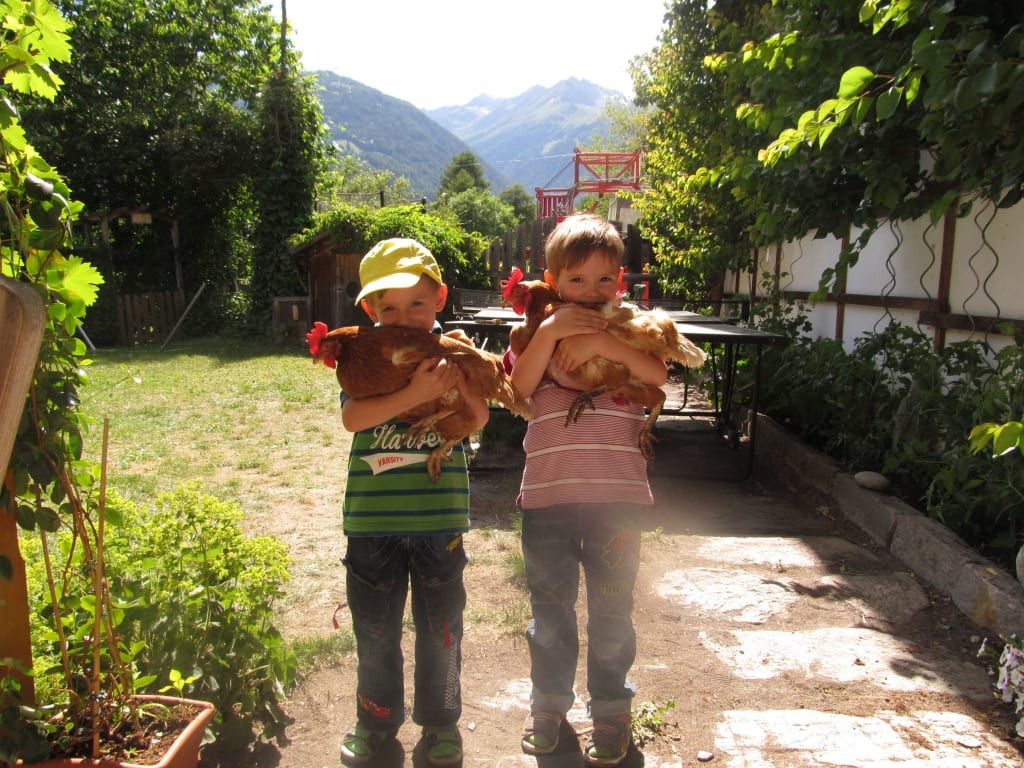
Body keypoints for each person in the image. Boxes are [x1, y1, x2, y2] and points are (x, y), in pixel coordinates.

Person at [506, 214, 667, 766]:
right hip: (548, 499)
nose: (590, 291)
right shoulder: (535, 334)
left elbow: (658, 378)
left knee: (612, 612)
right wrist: (552, 332)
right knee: (551, 613)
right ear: (553, 282)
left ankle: (611, 709)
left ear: (619, 281)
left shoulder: (629, 330)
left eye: (603, 279)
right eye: (576, 280)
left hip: (617, 503)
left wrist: (604, 342)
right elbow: (517, 388)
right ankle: (548, 705)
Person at [336, 237, 489, 766]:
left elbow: (479, 418)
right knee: (375, 631)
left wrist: (455, 382)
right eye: (390, 309)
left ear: (439, 299)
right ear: (370, 312)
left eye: (416, 304)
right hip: (373, 521)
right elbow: (353, 418)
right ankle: (374, 720)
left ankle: (442, 723)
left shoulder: (451, 351)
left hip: (437, 519)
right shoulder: (363, 356)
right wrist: (413, 395)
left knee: (441, 630)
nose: (403, 319)